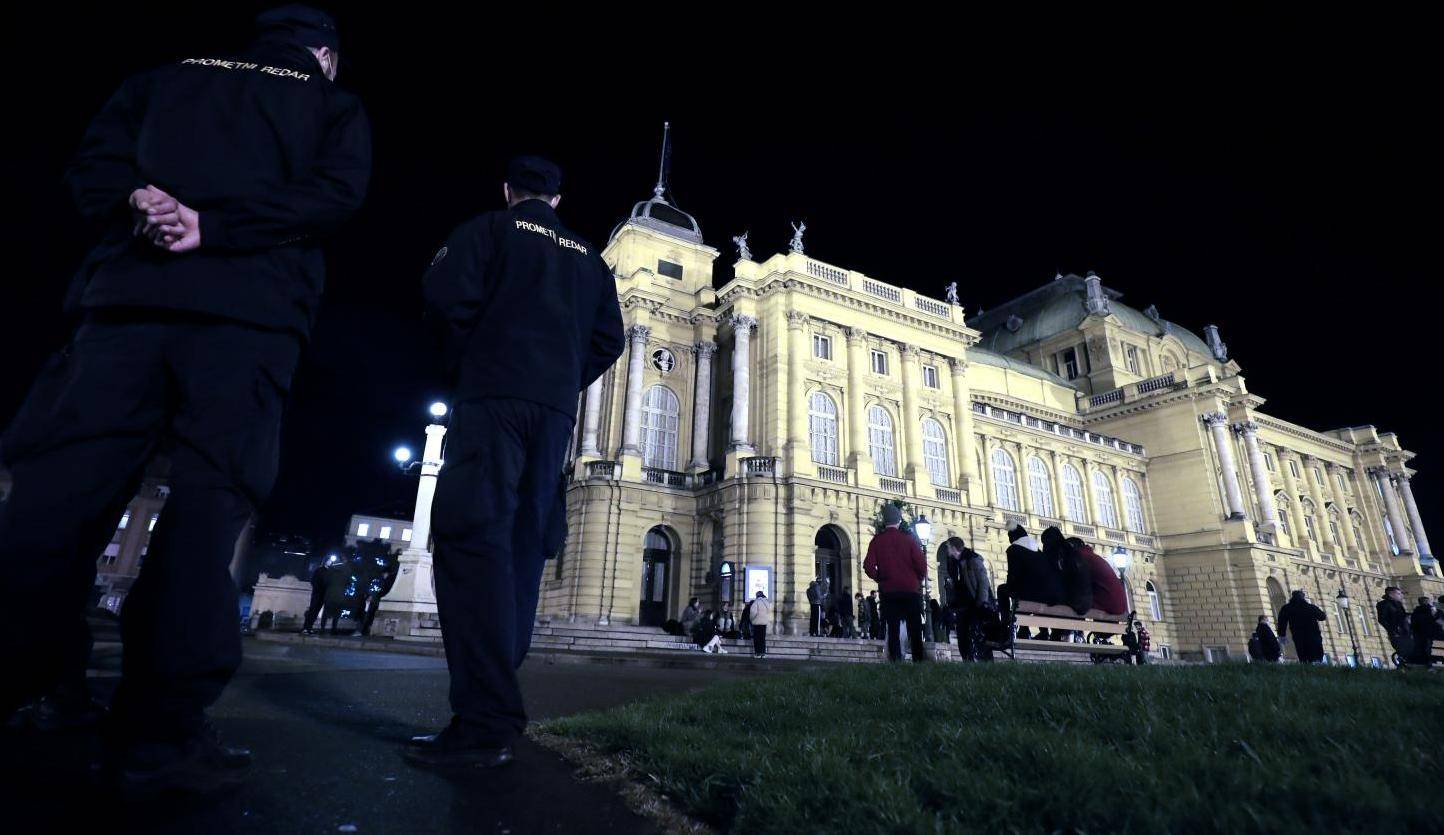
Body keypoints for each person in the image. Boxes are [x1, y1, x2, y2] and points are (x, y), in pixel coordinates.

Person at [0, 4, 370, 795]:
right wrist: (217, 227)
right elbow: (335, 197)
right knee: (208, 514)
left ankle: (39, 684)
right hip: (248, 324)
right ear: (326, 57)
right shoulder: (331, 105)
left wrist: (144, 204)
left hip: (124, 310)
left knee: (54, 499)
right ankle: (160, 735)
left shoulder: (162, 80)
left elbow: (91, 172)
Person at [408, 154, 625, 769]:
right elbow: (610, 339)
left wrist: (472, 364)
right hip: (552, 414)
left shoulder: (487, 230)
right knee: (526, 543)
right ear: (557, 199)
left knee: (472, 537)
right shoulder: (590, 260)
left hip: (494, 399)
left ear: (509, 191)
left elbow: (442, 299)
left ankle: (484, 721)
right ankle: (494, 699)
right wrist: (559, 379)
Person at [863, 504, 928, 663]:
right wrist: (917, 580)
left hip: (889, 591)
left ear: (884, 522)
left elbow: (868, 566)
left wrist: (881, 578)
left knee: (892, 628)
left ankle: (895, 660)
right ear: (899, 520)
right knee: (915, 627)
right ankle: (919, 660)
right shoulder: (909, 540)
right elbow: (921, 565)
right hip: (910, 590)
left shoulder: (877, 541)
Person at [944, 537, 995, 662]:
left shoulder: (972, 559)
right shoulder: (952, 562)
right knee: (962, 635)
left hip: (975, 604)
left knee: (978, 634)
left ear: (954, 548)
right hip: (962, 605)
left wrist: (982, 603)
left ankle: (986, 661)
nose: (947, 550)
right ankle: (967, 661)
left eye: (948, 547)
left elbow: (983, 582)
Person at [1069, 537, 1128, 616]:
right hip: (1117, 606)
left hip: (1109, 605)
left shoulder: (1081, 558)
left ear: (1071, 547)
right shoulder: (1091, 556)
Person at [1044, 527, 1092, 617]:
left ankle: (1046, 631)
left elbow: (1060, 579)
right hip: (1085, 602)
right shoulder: (1072, 552)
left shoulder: (1059, 554)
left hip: (1076, 602)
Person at [1277, 589, 1326, 664]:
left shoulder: (1287, 608)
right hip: (1313, 634)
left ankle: (1306, 668)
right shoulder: (1310, 607)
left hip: (1298, 635)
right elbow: (1322, 617)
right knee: (1316, 654)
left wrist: (1282, 635)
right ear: (1303, 597)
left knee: (1303, 654)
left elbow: (1281, 622)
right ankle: (1317, 665)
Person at [1377, 586, 1414, 663]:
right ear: (1391, 594)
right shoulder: (1384, 604)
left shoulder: (1398, 604)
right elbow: (1382, 619)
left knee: (1410, 650)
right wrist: (1393, 630)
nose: (1401, 595)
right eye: (1398, 593)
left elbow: (1402, 616)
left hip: (1405, 631)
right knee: (1404, 650)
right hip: (1396, 633)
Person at [301, 557, 334, 635]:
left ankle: (309, 627)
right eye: (329, 561)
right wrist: (318, 588)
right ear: (325, 561)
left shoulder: (330, 571)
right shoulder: (319, 570)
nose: (330, 562)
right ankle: (306, 628)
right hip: (317, 594)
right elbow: (314, 581)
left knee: (316, 612)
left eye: (331, 561)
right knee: (312, 610)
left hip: (323, 594)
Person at [1410, 597, 1442, 666]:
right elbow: (1439, 621)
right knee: (1439, 649)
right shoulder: (1434, 610)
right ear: (1429, 602)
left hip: (1423, 637)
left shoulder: (1415, 613)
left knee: (1429, 650)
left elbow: (1413, 626)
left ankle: (1433, 663)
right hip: (1437, 634)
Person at [749, 591, 772, 658]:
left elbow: (753, 613)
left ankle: (757, 653)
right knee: (762, 639)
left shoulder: (756, 602)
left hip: (756, 623)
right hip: (764, 623)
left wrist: (752, 619)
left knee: (757, 639)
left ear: (757, 596)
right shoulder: (766, 602)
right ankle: (763, 653)